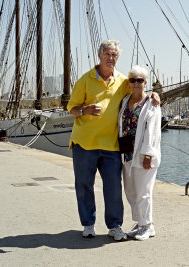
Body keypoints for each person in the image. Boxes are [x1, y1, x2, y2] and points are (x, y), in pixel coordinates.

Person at [67, 40, 159, 241]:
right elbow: (71, 108)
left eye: (114, 55)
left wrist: (154, 93)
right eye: (107, 54)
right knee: (84, 185)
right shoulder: (84, 80)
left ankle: (115, 226)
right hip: (85, 143)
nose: (111, 58)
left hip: (112, 146)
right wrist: (84, 110)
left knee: (114, 188)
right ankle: (88, 224)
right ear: (100, 55)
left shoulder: (123, 81)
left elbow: (138, 93)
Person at [118, 65, 161, 241]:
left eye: (140, 80)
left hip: (143, 155)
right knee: (130, 191)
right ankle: (139, 222)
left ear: (145, 83)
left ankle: (148, 226)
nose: (136, 83)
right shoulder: (125, 100)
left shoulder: (151, 103)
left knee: (144, 192)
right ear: (129, 82)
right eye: (133, 80)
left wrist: (148, 155)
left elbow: (153, 131)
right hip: (126, 152)